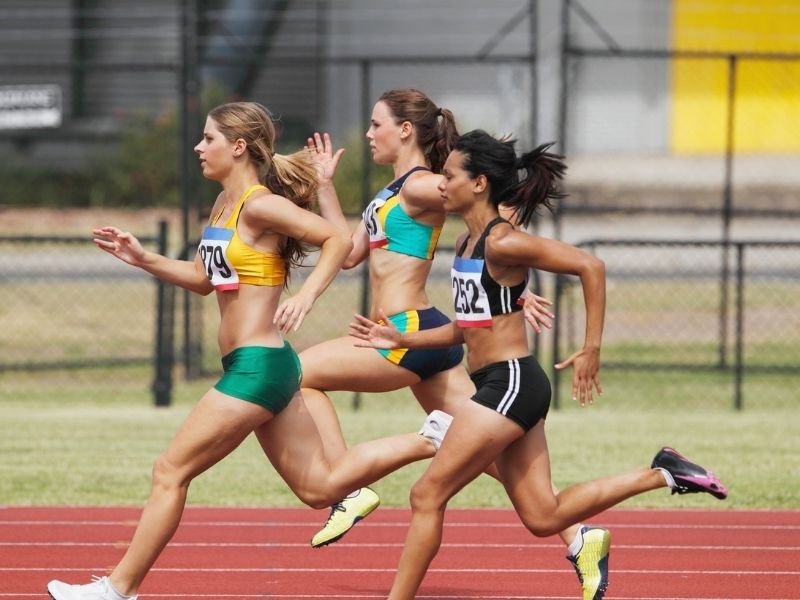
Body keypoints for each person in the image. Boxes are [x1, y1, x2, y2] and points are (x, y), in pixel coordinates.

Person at [45, 101, 450, 600]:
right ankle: (432, 437)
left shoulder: (261, 204)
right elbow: (200, 280)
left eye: (208, 138)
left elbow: (333, 239)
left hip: (259, 366)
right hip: (259, 366)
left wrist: (305, 295)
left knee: (170, 470)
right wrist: (142, 257)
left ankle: (116, 589)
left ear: (237, 147)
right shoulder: (223, 207)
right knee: (320, 489)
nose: (198, 146)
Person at [349, 129, 729, 600]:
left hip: (510, 383)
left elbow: (591, 266)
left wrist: (591, 348)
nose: (440, 184)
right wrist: (403, 337)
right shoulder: (466, 245)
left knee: (427, 494)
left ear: (480, 183)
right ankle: (664, 472)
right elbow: (468, 329)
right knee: (543, 517)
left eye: (449, 176)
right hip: (501, 382)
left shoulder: (502, 242)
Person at [300, 88, 612, 598]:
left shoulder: (423, 185)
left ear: (405, 130)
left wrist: (517, 286)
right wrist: (325, 187)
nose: (368, 134)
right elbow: (351, 252)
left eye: (376, 124)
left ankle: (349, 487)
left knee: (299, 374)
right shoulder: (394, 189)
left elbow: (492, 210)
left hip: (408, 330)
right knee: (482, 455)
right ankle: (580, 537)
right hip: (429, 332)